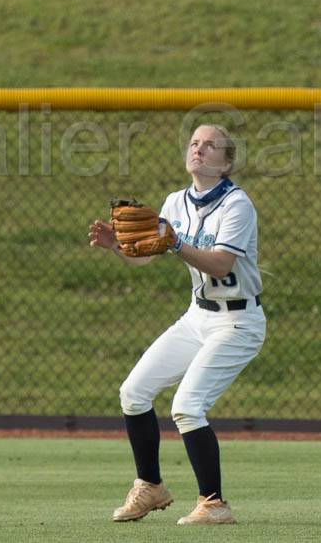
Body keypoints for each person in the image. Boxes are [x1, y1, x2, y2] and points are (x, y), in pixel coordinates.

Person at [87, 124, 265, 525]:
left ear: (227, 162)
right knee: (133, 392)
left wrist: (176, 244)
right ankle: (150, 487)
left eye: (210, 146)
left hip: (238, 321)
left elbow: (221, 264)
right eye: (194, 143)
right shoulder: (175, 202)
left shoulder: (237, 205)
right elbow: (145, 257)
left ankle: (215, 504)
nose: (199, 150)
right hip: (198, 316)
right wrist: (118, 247)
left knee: (187, 406)